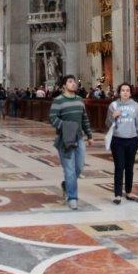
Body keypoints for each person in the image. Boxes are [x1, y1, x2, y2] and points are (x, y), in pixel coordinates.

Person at [50, 74, 93, 210]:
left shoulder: (80, 100)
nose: (73, 84)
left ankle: (66, 184)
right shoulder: (58, 101)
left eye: (74, 82)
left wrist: (89, 135)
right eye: (70, 82)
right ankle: (72, 197)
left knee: (79, 167)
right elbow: (52, 118)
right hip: (65, 139)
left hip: (79, 138)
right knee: (69, 169)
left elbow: (84, 118)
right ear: (64, 85)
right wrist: (66, 126)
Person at [105, 83, 138, 204]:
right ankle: (117, 194)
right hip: (117, 140)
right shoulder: (113, 105)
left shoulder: (135, 106)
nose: (125, 92)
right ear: (119, 92)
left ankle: (128, 191)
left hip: (132, 140)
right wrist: (113, 116)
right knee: (119, 166)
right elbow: (107, 123)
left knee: (129, 167)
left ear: (130, 93)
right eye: (123, 90)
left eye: (127, 90)